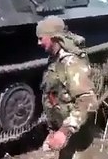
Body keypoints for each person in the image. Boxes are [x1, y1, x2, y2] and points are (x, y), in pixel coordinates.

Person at [36, 15, 98, 159]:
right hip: (66, 132)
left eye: (41, 38)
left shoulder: (71, 63)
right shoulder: (54, 59)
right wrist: (53, 131)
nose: (38, 43)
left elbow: (88, 101)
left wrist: (64, 131)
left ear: (54, 38)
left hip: (77, 136)